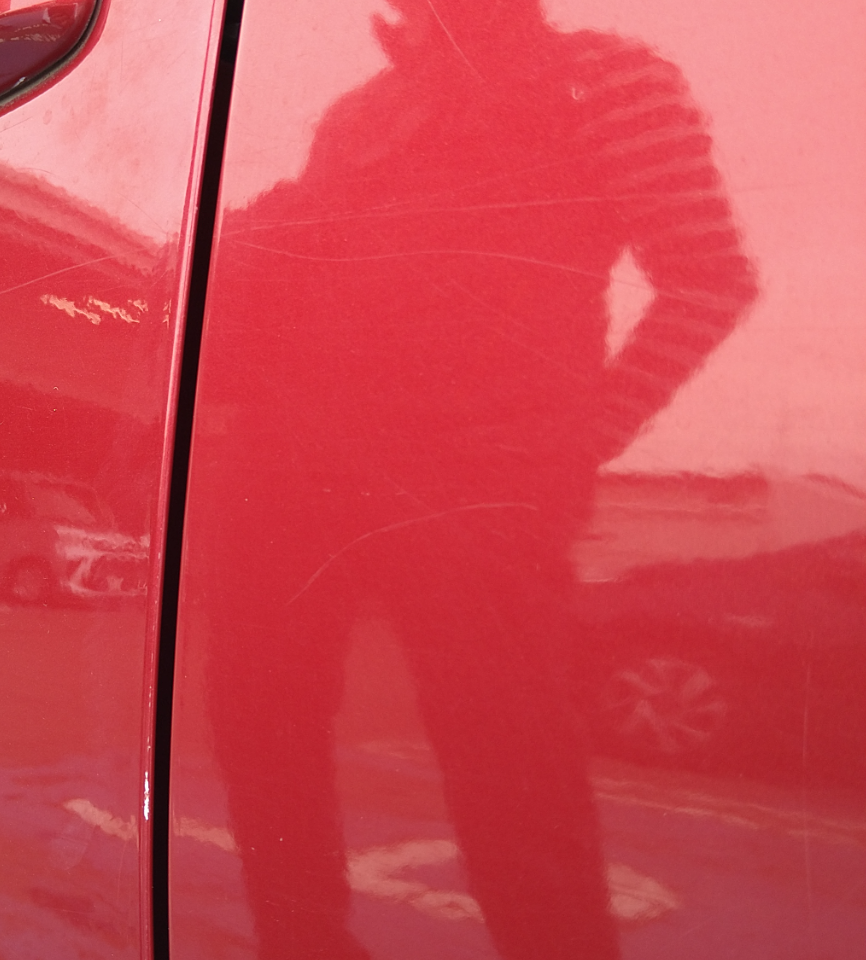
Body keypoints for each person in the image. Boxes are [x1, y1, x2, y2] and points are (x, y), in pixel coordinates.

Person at [200, 1, 758, 957]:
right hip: (294, 467)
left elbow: (708, 277)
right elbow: (306, 282)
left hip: (480, 479)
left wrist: (572, 441)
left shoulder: (605, 79)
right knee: (257, 721)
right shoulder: (361, 110)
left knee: (509, 767)